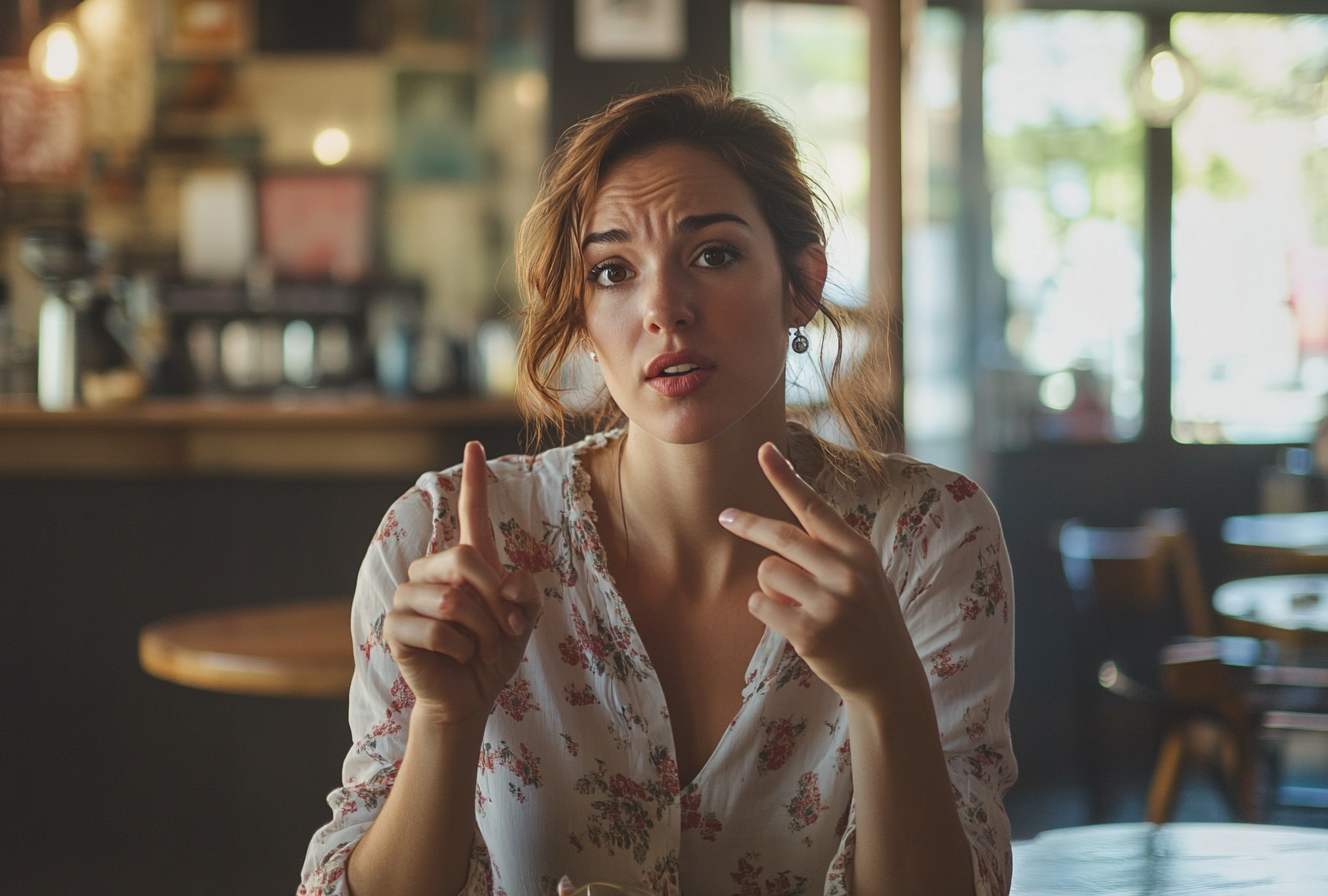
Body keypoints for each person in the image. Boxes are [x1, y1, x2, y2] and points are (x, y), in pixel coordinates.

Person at [300, 81, 1015, 896]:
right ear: (579, 319)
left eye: (713, 255)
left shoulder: (929, 538)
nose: (664, 309)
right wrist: (444, 723)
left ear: (803, 282)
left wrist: (888, 697)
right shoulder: (442, 538)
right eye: (612, 271)